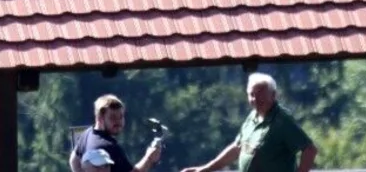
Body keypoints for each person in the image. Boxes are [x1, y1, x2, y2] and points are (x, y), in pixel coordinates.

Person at [180, 73, 317, 172]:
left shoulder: (282, 120)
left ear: (273, 95)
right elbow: (238, 147)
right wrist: (205, 169)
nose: (256, 99)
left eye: (260, 94)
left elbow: (310, 149)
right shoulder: (252, 116)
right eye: (252, 94)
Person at [70, 94, 164, 172]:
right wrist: (149, 158)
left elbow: (74, 160)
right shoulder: (109, 146)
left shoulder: (88, 133)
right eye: (113, 117)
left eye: (121, 116)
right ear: (99, 118)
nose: (118, 122)